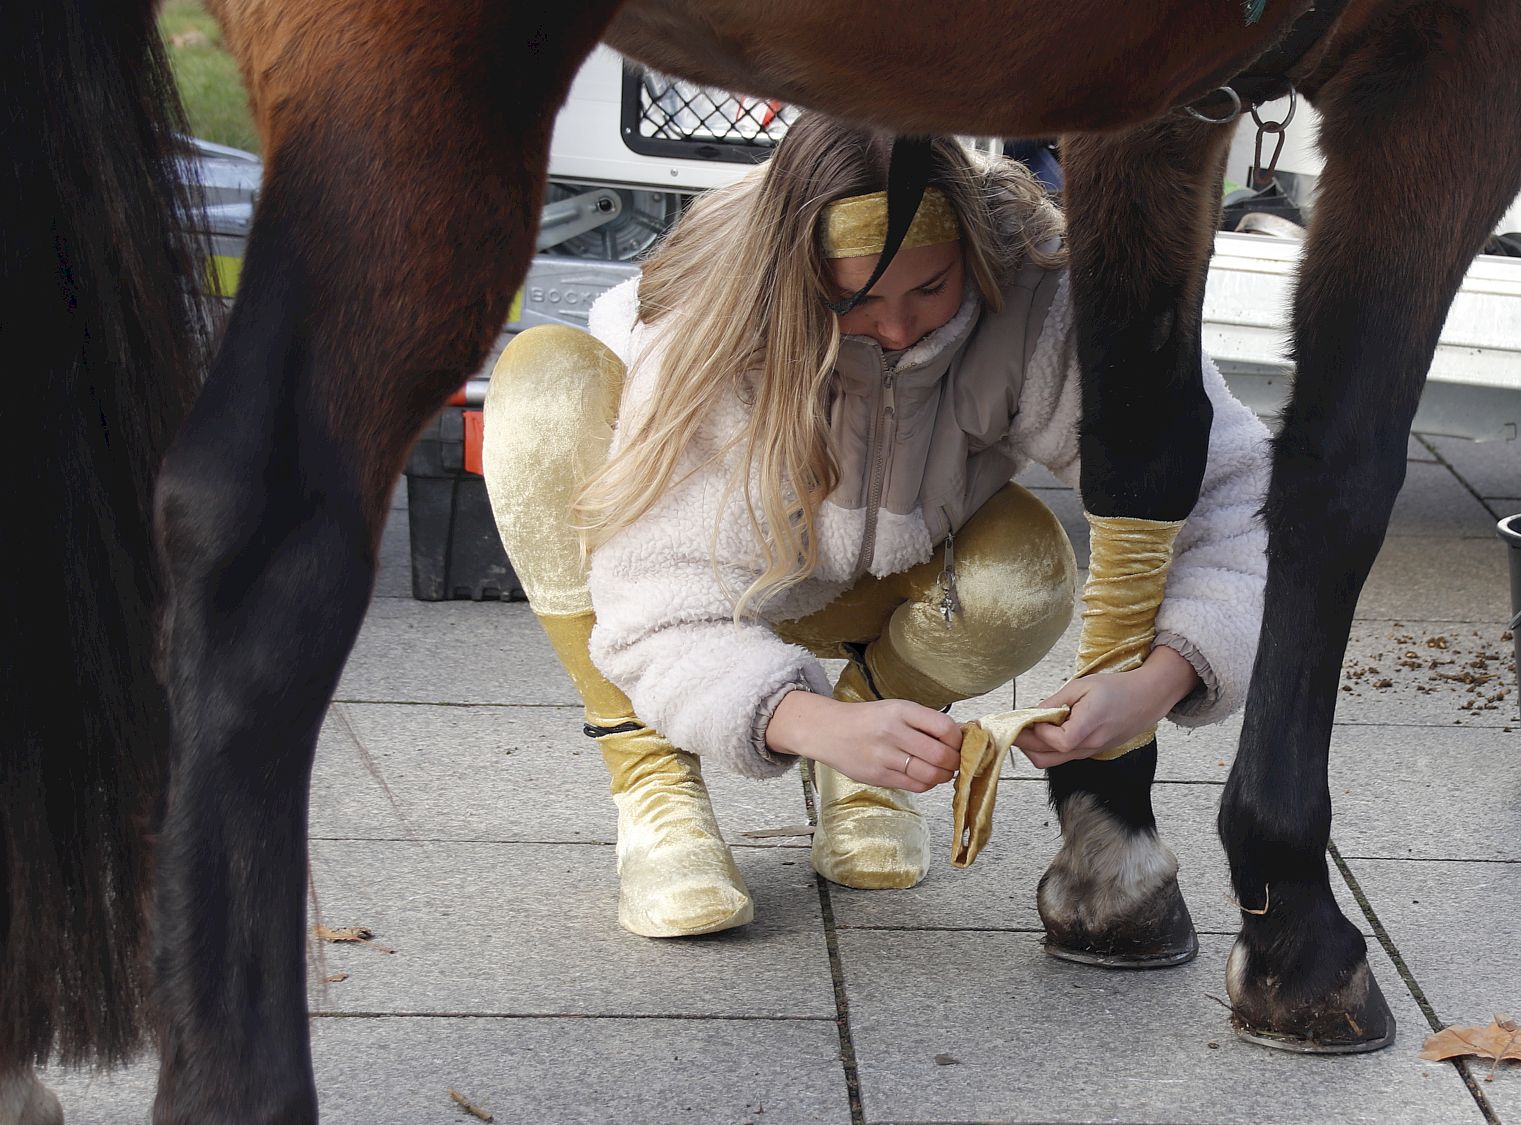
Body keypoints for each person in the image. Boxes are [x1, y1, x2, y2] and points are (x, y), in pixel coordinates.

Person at [481, 116, 1270, 939]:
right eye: (855, 301)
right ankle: (654, 781)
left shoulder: (1036, 287)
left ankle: (874, 747)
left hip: (890, 564)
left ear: (970, 244)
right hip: (711, 565)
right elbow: (655, 608)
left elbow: (1236, 491)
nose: (897, 330)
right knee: (544, 388)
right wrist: (816, 726)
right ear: (801, 280)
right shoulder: (715, 319)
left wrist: (1152, 685)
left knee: (1028, 569)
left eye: (932, 289)